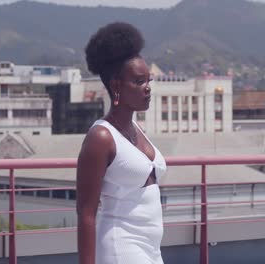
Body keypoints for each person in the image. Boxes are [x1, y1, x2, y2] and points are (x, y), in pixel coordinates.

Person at [76, 22, 167, 264]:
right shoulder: (101, 138)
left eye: (148, 81)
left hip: (151, 247)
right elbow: (86, 213)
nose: (147, 88)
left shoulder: (137, 129)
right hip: (122, 245)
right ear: (116, 85)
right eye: (139, 82)